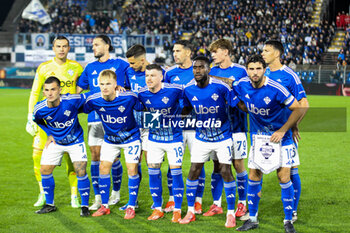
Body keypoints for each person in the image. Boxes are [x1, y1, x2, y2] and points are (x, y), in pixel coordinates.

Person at [234, 54, 302, 233]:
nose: (255, 72)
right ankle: (253, 219)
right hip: (259, 139)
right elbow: (239, 99)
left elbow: (298, 107)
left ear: (265, 70)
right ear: (246, 70)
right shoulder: (241, 85)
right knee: (254, 176)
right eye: (251, 69)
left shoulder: (276, 88)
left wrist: (284, 129)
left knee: (284, 177)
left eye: (258, 68)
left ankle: (288, 221)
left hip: (282, 139)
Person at [179, 56, 239, 228]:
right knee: (193, 171)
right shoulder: (189, 89)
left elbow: (235, 105)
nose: (197, 70)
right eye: (195, 68)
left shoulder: (221, 87)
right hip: (201, 137)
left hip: (223, 137)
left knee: (225, 170)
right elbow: (186, 108)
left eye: (201, 67)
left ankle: (230, 213)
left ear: (209, 69)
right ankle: (190, 211)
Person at [26, 36, 83, 208]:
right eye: (58, 46)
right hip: (47, 120)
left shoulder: (76, 67)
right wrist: (30, 116)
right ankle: (43, 192)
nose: (61, 49)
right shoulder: (44, 68)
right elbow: (35, 92)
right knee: (37, 155)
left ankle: (74, 195)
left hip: (67, 121)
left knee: (71, 159)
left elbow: (83, 87)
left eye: (65, 46)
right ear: (53, 48)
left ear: (69, 48)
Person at [76, 35, 129, 210]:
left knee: (113, 158)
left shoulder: (121, 64)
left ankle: (115, 192)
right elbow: (78, 89)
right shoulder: (90, 67)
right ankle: (98, 197)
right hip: (94, 119)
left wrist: (124, 88)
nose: (93, 48)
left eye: (97, 45)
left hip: (115, 119)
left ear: (107, 46)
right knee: (96, 157)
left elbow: (132, 84)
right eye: (93, 45)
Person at [83, 70, 142, 219]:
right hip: (110, 139)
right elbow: (80, 108)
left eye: (108, 84)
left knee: (132, 169)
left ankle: (131, 206)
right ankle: (104, 206)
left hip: (131, 138)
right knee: (103, 167)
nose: (104, 87)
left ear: (116, 84)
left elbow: (144, 107)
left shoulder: (129, 97)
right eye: (102, 84)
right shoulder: (94, 100)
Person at [262, 40, 309, 223]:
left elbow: (304, 104)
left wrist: (293, 125)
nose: (263, 53)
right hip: (264, 133)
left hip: (285, 133)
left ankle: (293, 210)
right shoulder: (262, 73)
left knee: (290, 170)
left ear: (277, 53)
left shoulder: (289, 75)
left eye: (267, 50)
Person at [33, 76, 90, 217]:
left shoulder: (71, 100)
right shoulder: (39, 109)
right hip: (56, 142)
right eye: (46, 90)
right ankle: (50, 204)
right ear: (43, 92)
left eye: (53, 89)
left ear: (60, 90)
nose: (50, 93)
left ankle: (84, 206)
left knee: (80, 170)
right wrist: (49, 133)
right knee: (44, 170)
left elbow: (90, 96)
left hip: (75, 141)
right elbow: (38, 120)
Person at [205, 38, 249, 219]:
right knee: (218, 165)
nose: (213, 55)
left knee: (238, 164)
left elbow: (246, 93)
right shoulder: (211, 71)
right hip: (218, 126)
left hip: (237, 125)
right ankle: (217, 204)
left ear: (225, 51)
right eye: (211, 53)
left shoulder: (241, 70)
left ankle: (242, 203)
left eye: (215, 52)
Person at [120, 45, 166, 211]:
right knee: (134, 161)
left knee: (152, 161)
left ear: (142, 60)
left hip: (151, 117)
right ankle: (134, 200)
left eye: (133, 63)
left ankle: (157, 201)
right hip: (133, 118)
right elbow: (127, 90)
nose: (130, 66)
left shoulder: (156, 72)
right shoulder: (128, 72)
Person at [138, 64, 184, 223]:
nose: (148, 79)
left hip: (174, 139)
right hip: (154, 139)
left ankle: (177, 210)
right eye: (146, 76)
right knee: (153, 171)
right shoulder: (142, 94)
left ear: (161, 77)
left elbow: (189, 99)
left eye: (152, 75)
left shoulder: (175, 90)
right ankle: (158, 208)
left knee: (176, 171)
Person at [164, 40, 205, 214]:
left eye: (178, 51)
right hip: (175, 125)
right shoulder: (169, 73)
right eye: (173, 51)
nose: (175, 54)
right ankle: (172, 199)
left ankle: (197, 201)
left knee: (198, 163)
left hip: (196, 124)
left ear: (188, 52)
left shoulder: (198, 71)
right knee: (173, 164)